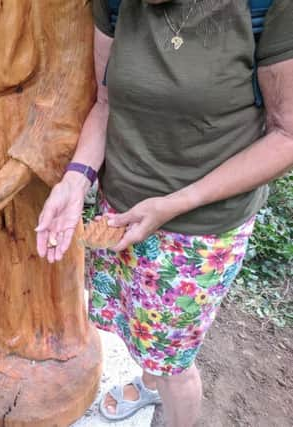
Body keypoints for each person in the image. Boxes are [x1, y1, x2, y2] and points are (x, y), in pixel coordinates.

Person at [35, 0, 293, 425]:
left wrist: (176, 202)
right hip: (121, 212)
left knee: (175, 364)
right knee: (143, 329)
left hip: (199, 233)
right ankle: (149, 382)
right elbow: (105, 103)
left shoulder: (268, 7)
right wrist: (76, 179)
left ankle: (168, 396)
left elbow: (285, 136)